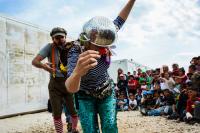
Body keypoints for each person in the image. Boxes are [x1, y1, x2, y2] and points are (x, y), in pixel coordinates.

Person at [65, 0, 136, 132]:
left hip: (106, 90)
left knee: (110, 127)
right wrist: (77, 73)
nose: (103, 49)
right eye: (98, 46)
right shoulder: (76, 51)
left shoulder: (106, 34)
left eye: (106, 46)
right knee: (90, 130)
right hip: (84, 95)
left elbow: (121, 19)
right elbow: (70, 87)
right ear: (88, 39)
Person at [32, 27, 79, 133]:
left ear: (65, 37)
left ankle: (74, 129)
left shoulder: (72, 47)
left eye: (61, 37)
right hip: (55, 84)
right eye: (56, 38)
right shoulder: (49, 47)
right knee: (57, 113)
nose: (59, 40)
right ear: (52, 39)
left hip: (69, 82)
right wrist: (44, 66)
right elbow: (35, 61)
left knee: (73, 111)